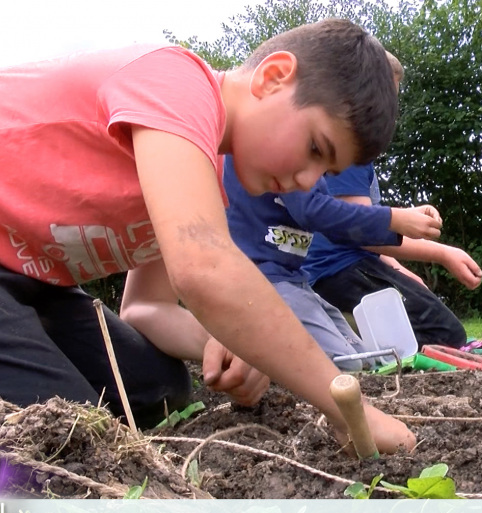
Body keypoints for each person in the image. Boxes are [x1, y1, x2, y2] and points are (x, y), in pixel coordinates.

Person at [0, 19, 415, 454]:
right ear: (273, 78)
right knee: (64, 433)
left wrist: (228, 343)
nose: (308, 181)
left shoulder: (204, 176)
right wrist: (347, 406)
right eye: (315, 148)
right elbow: (204, 267)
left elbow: (145, 307)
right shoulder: (174, 83)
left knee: (158, 388)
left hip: (36, 289)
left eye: (325, 173)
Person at [123, 154, 443, 372]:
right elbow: (317, 212)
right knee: (345, 364)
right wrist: (394, 218)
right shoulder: (284, 151)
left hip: (294, 277)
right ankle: (279, 369)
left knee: (366, 358)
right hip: (262, 280)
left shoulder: (294, 152)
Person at [303, 54, 482, 349]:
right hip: (333, 272)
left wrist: (401, 272)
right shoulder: (350, 147)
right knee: (444, 335)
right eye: (386, 96)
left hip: (348, 264)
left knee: (442, 327)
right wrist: (443, 253)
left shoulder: (351, 146)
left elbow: (366, 233)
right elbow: (361, 231)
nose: (390, 109)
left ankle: (345, 327)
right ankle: (341, 330)